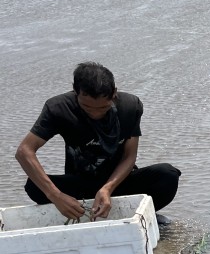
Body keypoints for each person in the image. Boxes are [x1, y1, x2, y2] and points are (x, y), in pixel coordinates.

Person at [15, 62, 180, 222]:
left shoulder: (130, 106)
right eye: (87, 107)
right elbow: (24, 151)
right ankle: (74, 210)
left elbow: (129, 156)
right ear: (75, 91)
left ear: (114, 92)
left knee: (167, 174)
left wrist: (108, 188)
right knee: (34, 186)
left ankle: (145, 213)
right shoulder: (58, 108)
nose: (95, 114)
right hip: (81, 185)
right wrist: (55, 196)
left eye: (103, 108)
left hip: (120, 181)